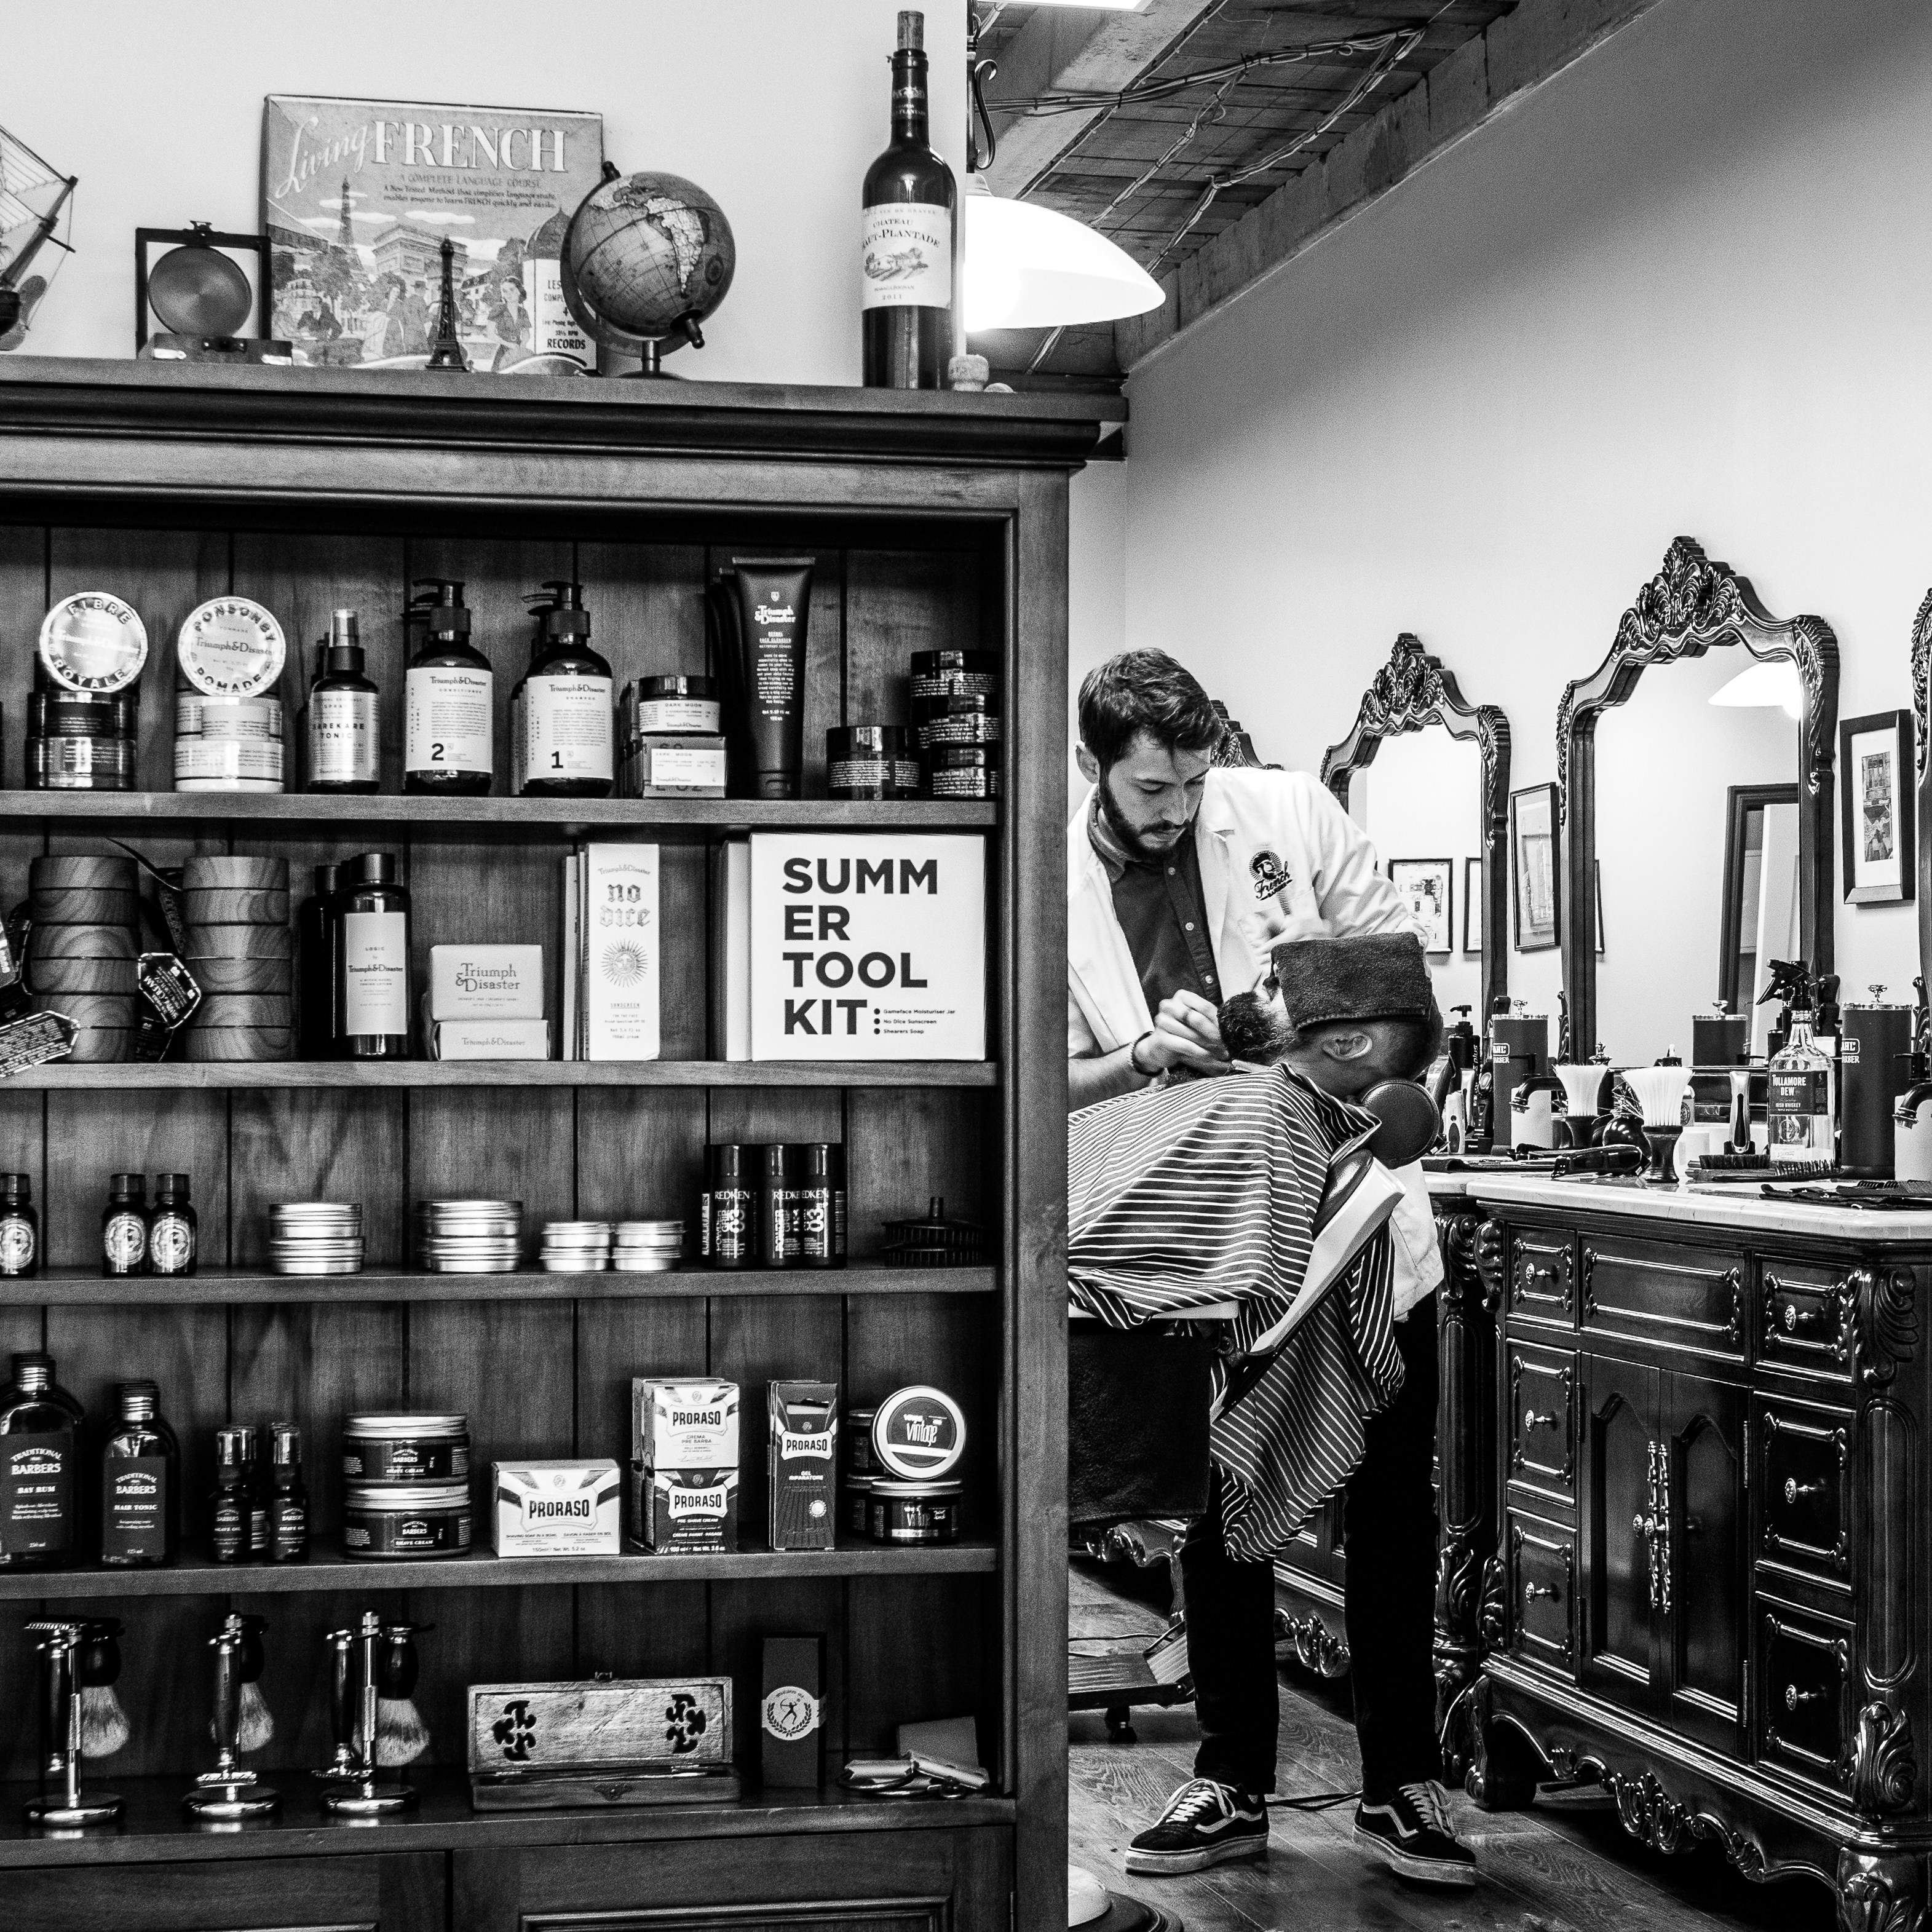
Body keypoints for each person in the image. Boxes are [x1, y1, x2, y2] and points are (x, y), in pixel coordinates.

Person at [1065, 649, 1474, 1886]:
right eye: (1151, 788)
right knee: (1220, 1504)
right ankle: (1231, 1771)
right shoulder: (1046, 878)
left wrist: (1323, 989)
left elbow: (1413, 995)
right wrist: (1140, 1053)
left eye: (1194, 778)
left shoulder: (1290, 812)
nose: (1179, 806)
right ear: (1097, 765)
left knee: (1396, 1501)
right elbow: (1034, 1080)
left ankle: (1401, 1778)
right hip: (1195, 1229)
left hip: (1350, 1213)